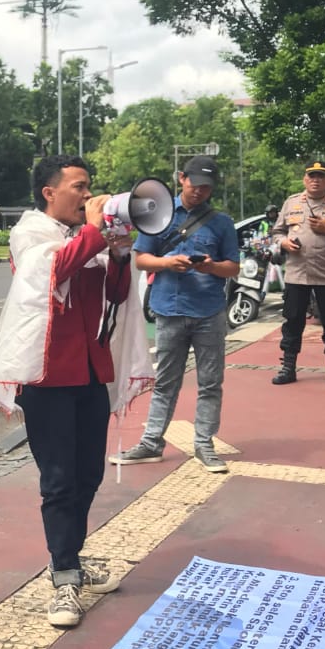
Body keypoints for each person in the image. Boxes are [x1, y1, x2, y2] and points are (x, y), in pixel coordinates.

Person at [0, 156, 135, 629]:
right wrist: (94, 231)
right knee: (58, 478)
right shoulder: (31, 233)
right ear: (49, 193)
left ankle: (68, 558)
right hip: (47, 375)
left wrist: (122, 253)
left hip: (90, 370)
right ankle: (64, 575)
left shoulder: (85, 237)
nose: (89, 196)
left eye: (90, 187)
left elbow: (117, 292)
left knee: (89, 473)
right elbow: (53, 274)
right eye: (80, 187)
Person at [110, 155, 240, 474]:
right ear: (182, 178)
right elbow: (141, 259)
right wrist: (169, 262)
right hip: (169, 310)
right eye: (195, 185)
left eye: (207, 188)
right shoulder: (160, 215)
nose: (200, 192)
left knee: (211, 382)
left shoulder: (221, 222)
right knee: (166, 382)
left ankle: (205, 444)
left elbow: (233, 267)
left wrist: (210, 266)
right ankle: (151, 442)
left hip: (209, 312)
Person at [270, 162, 325, 387]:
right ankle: (288, 367)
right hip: (296, 275)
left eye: (321, 176)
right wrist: (283, 243)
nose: (315, 180)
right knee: (293, 322)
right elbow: (277, 232)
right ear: (304, 179)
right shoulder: (291, 203)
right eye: (311, 176)